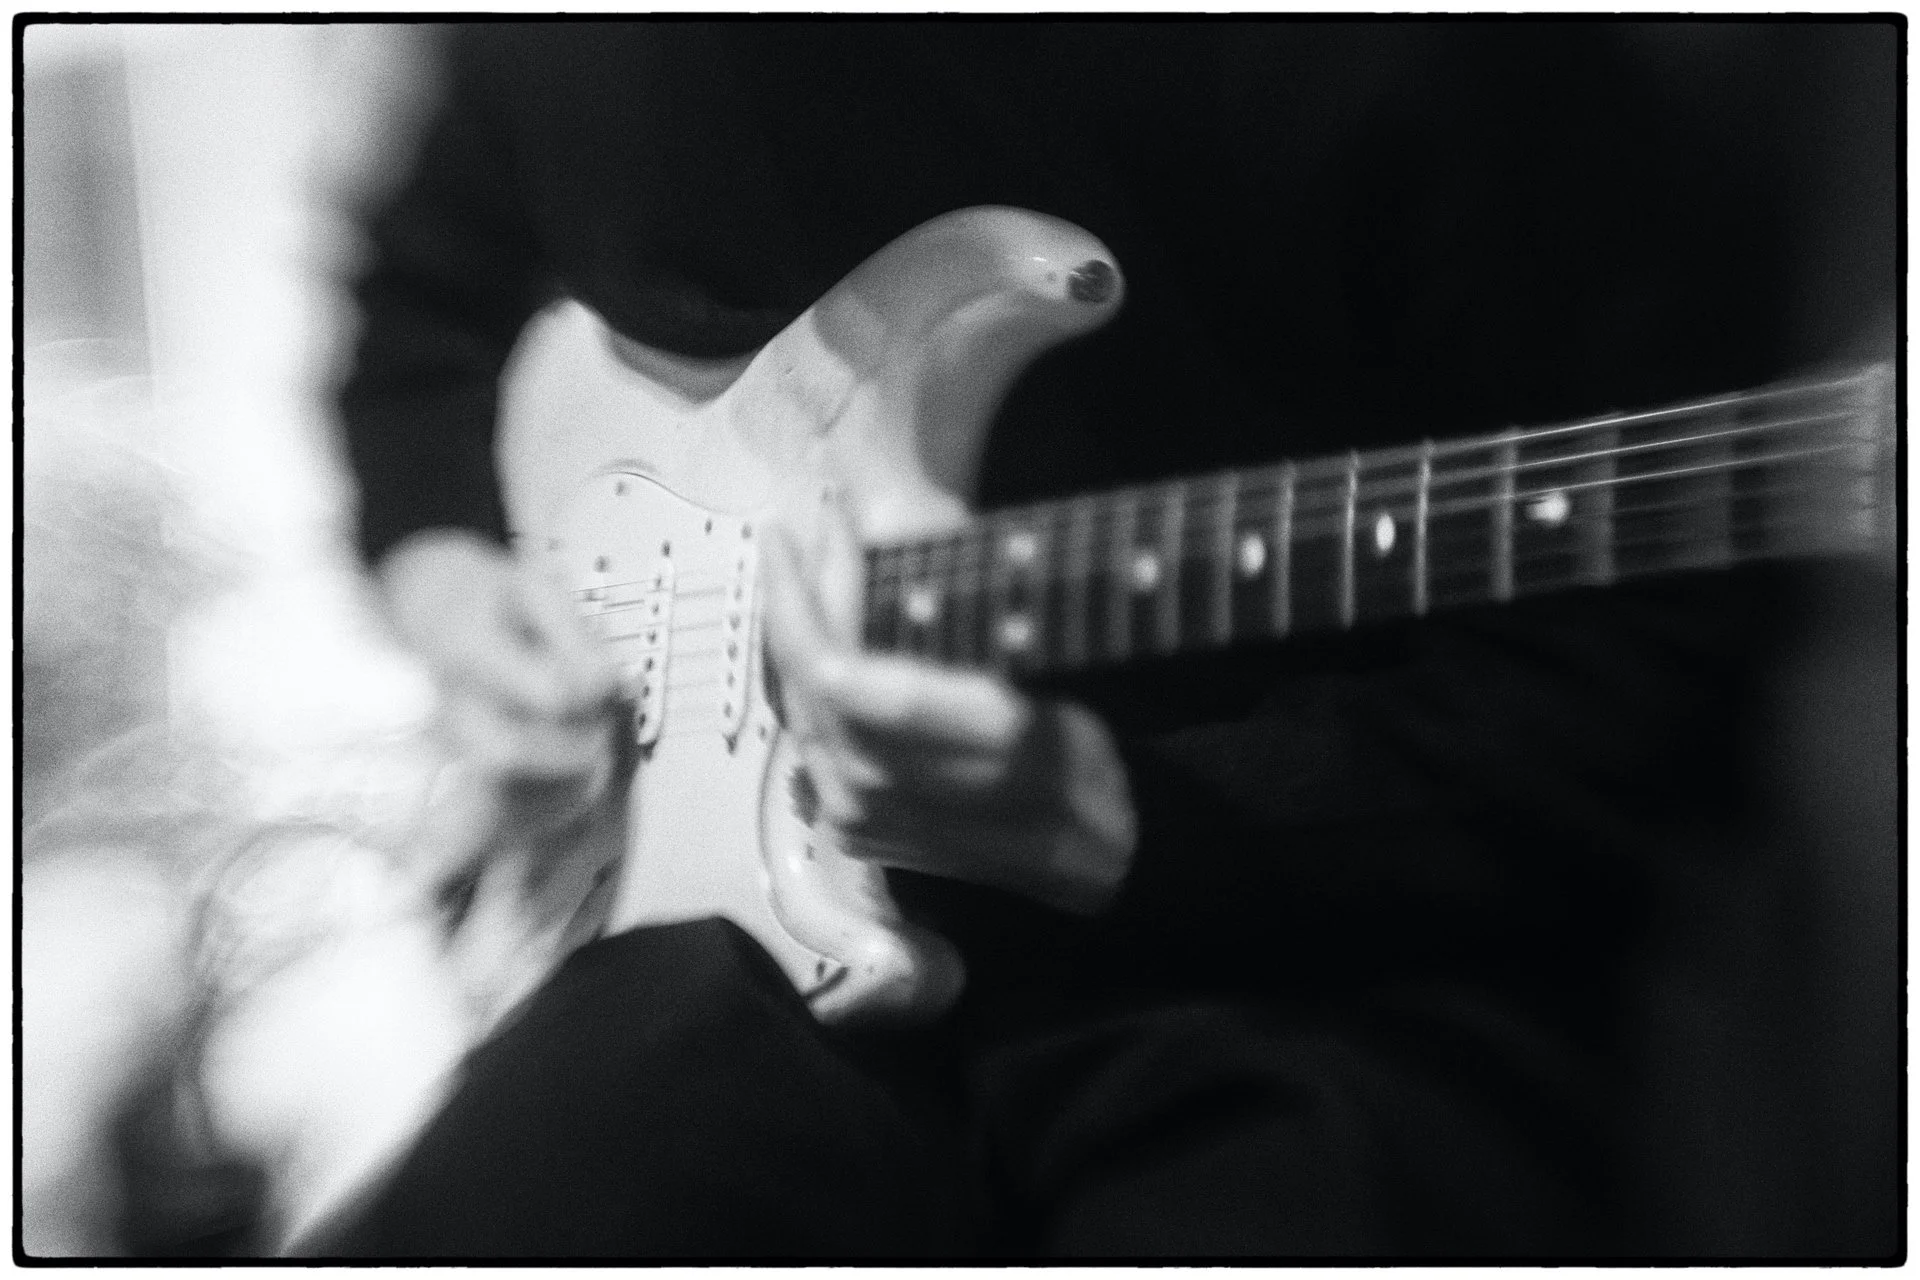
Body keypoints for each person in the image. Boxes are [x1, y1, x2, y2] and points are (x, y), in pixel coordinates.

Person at [307, 20, 1895, 1258]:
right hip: (716, 955)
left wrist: (1123, 822)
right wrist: (453, 582)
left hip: (1334, 981)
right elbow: (420, 307)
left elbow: (1651, 684)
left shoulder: (1448, 52)